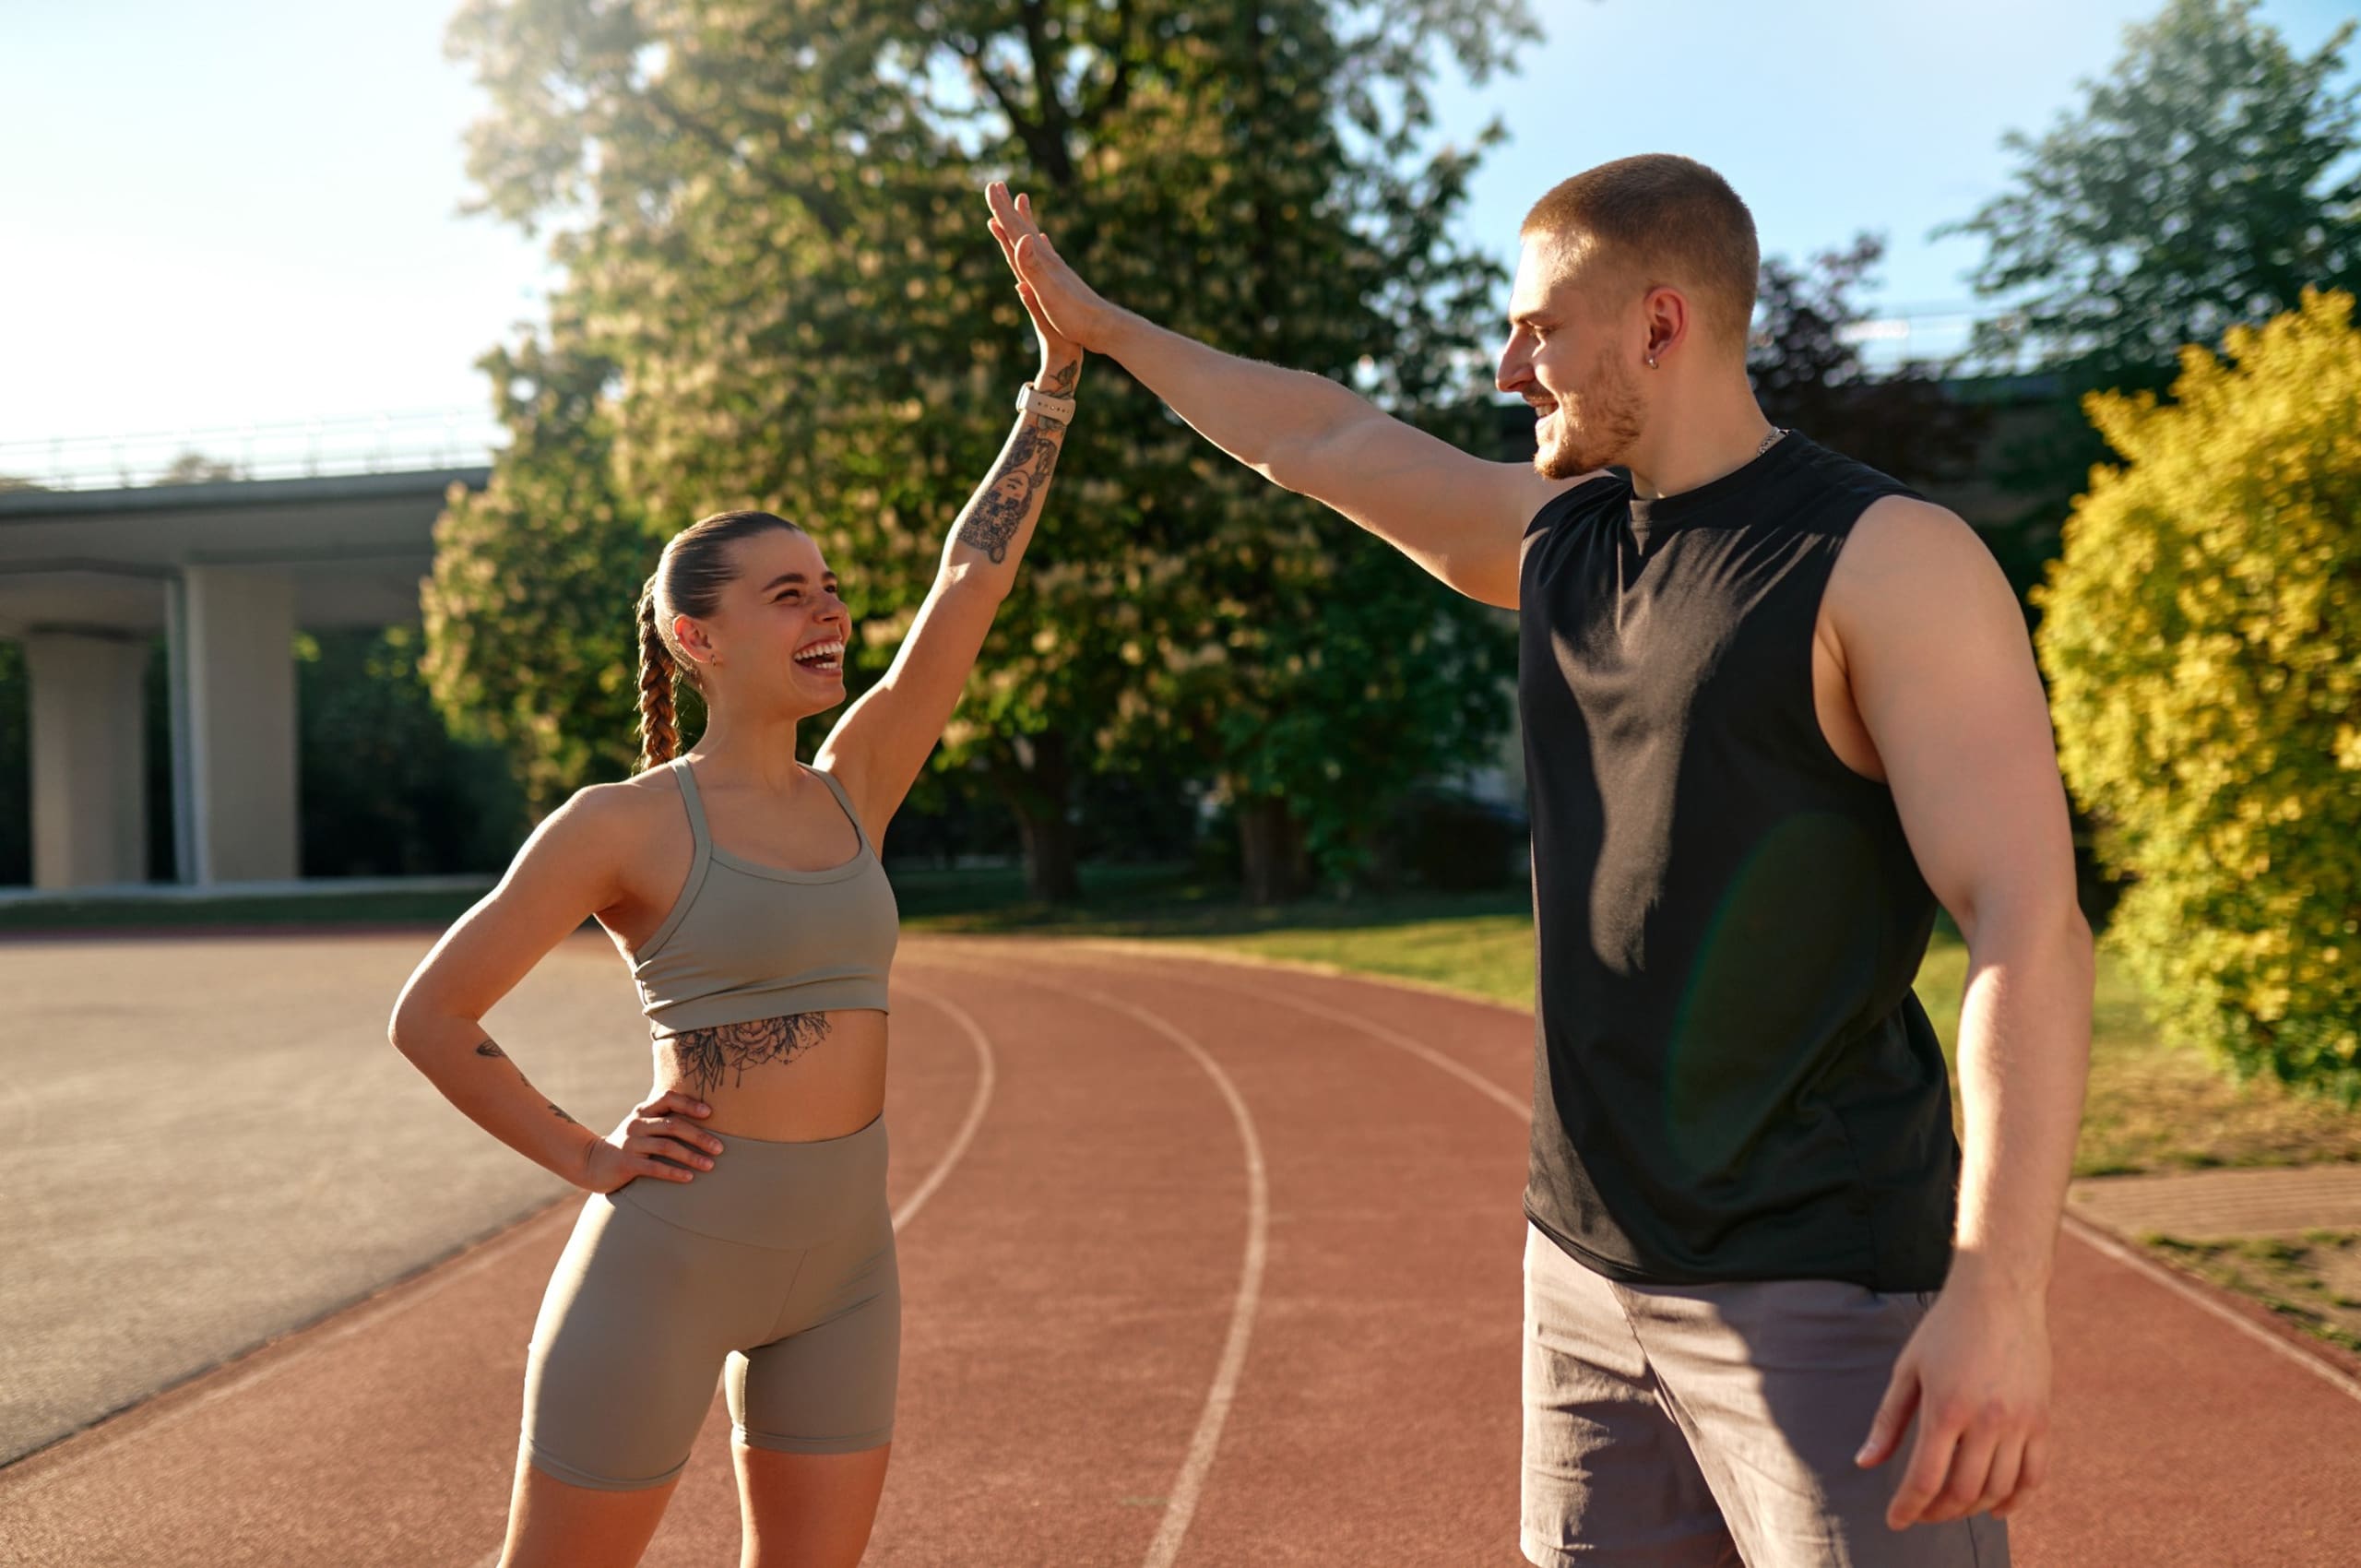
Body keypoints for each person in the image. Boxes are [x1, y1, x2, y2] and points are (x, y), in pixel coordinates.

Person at [981, 154, 2091, 1567]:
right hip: (1581, 1280)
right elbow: (1319, 441)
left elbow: (2029, 927)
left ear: (1660, 323)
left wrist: (1999, 1291)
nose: (1510, 365)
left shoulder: (1882, 561)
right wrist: (1109, 330)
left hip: (1819, 1284)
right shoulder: (1559, 534)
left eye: (1538, 328)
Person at [386, 207, 1085, 1568]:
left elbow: (970, 576)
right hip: (668, 1258)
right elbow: (433, 1018)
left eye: (828, 589)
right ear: (697, 637)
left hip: (846, 1273)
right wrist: (591, 1158)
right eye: (787, 595)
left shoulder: (856, 781)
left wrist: (1050, 382)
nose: (828, 612)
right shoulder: (625, 825)